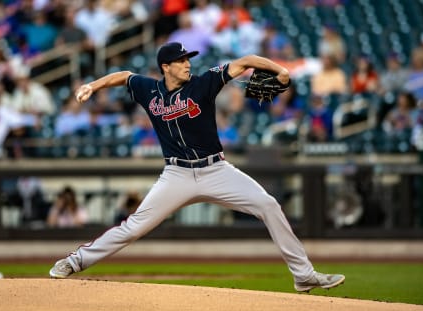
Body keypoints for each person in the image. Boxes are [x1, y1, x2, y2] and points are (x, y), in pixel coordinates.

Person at [49, 41, 345, 292]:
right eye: (180, 61)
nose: (187, 64)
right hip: (176, 175)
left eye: (188, 59)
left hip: (216, 170)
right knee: (133, 228)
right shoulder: (148, 90)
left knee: (268, 205)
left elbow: (246, 61)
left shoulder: (204, 83)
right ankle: (74, 261)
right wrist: (92, 85)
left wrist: (280, 70)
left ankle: (303, 274)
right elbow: (125, 75)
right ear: (165, 66)